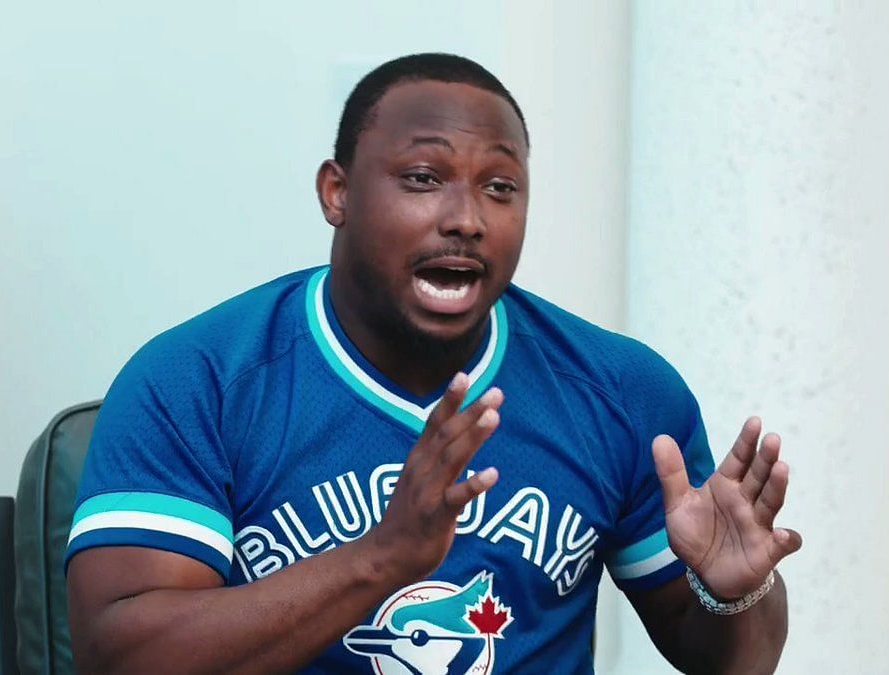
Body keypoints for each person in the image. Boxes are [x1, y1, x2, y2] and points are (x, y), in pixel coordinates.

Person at [64, 53, 801, 674]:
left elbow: (730, 661)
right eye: (423, 178)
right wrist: (382, 558)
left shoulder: (622, 392)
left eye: (500, 187)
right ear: (338, 192)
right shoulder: (198, 381)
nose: (467, 217)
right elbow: (117, 653)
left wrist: (734, 591)